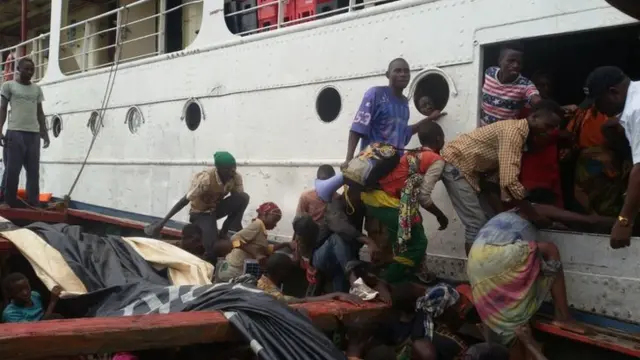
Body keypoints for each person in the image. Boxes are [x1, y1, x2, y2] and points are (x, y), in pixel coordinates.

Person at [465, 202, 610, 347]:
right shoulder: (536, 207)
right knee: (550, 250)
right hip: (496, 254)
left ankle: (513, 328)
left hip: (475, 256)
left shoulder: (508, 216)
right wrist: (616, 221)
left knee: (528, 267)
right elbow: (581, 219)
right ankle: (563, 317)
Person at [441, 100, 565, 253]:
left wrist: (501, 214)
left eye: (553, 128)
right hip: (456, 165)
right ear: (533, 117)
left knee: (490, 221)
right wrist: (534, 215)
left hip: (469, 171)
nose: (549, 132)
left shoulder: (518, 135)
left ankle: (483, 268)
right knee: (476, 224)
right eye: (548, 126)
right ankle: (474, 274)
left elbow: (491, 181)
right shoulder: (513, 133)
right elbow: (509, 182)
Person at [361, 121, 448, 283]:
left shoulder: (411, 154)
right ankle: (387, 282)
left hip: (372, 200)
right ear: (438, 139)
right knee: (418, 243)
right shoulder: (436, 160)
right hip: (387, 203)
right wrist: (440, 215)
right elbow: (423, 197)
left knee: (403, 241)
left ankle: (401, 278)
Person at [144, 151, 250, 263]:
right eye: (228, 169)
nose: (232, 171)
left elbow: (236, 200)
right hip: (201, 213)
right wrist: (162, 224)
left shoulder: (235, 177)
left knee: (243, 197)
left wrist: (231, 223)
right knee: (212, 248)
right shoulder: (206, 180)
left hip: (215, 209)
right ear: (219, 169)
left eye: (233, 167)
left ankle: (225, 230)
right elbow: (185, 200)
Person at [343, 58, 445, 167]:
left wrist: (429, 119)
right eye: (398, 71)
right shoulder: (375, 94)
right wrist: (349, 159)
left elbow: (404, 132)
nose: (403, 74)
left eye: (406, 71)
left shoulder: (404, 103)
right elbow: (358, 128)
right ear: (388, 75)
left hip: (393, 168)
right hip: (371, 165)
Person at [583, 66, 640, 248]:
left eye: (599, 104)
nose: (600, 111)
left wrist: (624, 221)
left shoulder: (636, 111)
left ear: (613, 92)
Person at [0, 57, 49, 208]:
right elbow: (2, 108)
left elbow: (40, 113)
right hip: (15, 133)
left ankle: (33, 202)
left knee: (33, 171)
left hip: (33, 134)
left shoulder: (36, 89)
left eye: (31, 69)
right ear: (18, 70)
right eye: (26, 69)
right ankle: (8, 201)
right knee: (12, 170)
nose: (29, 72)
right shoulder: (8, 86)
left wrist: (44, 132)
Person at [294, 213, 379, 293]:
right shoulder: (301, 240)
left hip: (331, 262)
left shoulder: (321, 227)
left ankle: (354, 291)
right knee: (335, 238)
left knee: (340, 265)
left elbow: (342, 230)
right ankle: (353, 278)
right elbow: (305, 260)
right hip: (317, 261)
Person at [216, 202, 290, 282]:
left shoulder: (261, 230)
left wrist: (285, 244)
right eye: (274, 220)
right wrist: (256, 254)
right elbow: (234, 240)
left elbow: (265, 249)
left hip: (237, 269)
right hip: (233, 269)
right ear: (264, 215)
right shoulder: (257, 225)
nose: (275, 225)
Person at [256, 252, 363, 305]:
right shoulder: (275, 296)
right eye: (289, 270)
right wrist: (337, 294)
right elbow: (304, 300)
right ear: (281, 272)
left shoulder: (261, 282)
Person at [480, 42, 541, 127]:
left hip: (505, 135)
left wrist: (546, 107)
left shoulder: (525, 84)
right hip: (481, 132)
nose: (516, 65)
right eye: (511, 61)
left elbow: (536, 99)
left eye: (519, 63)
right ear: (500, 60)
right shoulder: (489, 72)